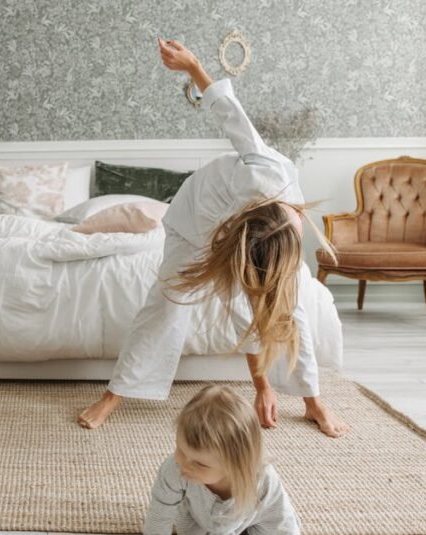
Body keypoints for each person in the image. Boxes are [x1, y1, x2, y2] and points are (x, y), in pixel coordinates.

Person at [78, 39, 349, 438]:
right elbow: (231, 115)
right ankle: (113, 396)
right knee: (166, 305)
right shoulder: (262, 169)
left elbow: (268, 309)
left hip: (249, 238)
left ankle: (311, 402)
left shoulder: (287, 230)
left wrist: (265, 387)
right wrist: (192, 67)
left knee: (288, 312)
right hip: (194, 219)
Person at [144, 385, 301, 534]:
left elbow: (281, 520)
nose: (184, 464)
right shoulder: (174, 469)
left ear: (236, 465)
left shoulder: (263, 480)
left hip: (255, 517)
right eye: (180, 449)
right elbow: (160, 512)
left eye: (200, 464)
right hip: (197, 515)